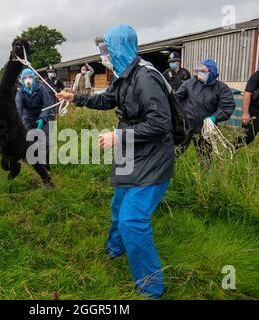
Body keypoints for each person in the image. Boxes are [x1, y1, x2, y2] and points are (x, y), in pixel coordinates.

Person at [56, 25, 174, 299]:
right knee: (119, 203)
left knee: (133, 220)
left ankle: (150, 286)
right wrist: (75, 97)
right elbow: (108, 99)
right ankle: (116, 247)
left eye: (106, 49)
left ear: (120, 48)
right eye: (101, 50)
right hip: (131, 151)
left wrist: (119, 136)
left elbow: (160, 124)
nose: (102, 55)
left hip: (153, 158)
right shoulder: (123, 75)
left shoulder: (146, 78)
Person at [175, 59, 235, 166]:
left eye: (203, 71)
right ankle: (166, 170)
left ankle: (204, 175)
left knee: (205, 155)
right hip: (186, 125)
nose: (199, 73)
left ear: (211, 72)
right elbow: (176, 99)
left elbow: (227, 106)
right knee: (176, 150)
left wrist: (214, 117)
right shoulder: (189, 84)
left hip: (205, 128)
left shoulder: (221, 88)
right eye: (198, 70)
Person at [16, 68, 55, 167]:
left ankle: (45, 164)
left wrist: (42, 118)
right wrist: (17, 123)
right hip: (28, 116)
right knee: (27, 138)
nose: (27, 80)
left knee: (46, 140)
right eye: (25, 78)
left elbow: (48, 105)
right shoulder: (20, 92)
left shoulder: (42, 88)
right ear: (21, 80)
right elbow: (18, 109)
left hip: (43, 114)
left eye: (30, 77)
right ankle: (28, 161)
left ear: (34, 78)